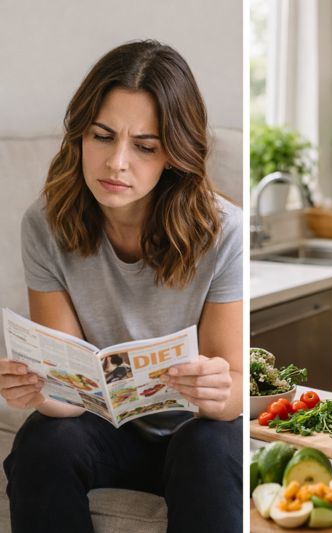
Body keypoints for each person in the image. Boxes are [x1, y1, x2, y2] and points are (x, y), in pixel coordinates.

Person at [0, 41, 243, 533]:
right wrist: (37, 391)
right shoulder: (45, 225)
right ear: (81, 135)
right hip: (105, 429)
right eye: (103, 136)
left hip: (195, 431)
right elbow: (67, 393)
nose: (116, 163)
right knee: (41, 444)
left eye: (145, 146)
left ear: (173, 153)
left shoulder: (224, 232)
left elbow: (234, 387)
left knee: (208, 448)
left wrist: (218, 389)